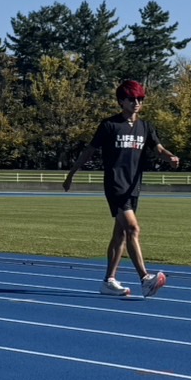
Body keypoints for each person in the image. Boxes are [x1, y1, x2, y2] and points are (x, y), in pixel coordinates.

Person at [63, 79, 179, 298]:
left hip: (133, 187)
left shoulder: (145, 127)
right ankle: (145, 278)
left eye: (140, 99)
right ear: (121, 101)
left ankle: (109, 281)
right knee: (133, 228)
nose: (137, 103)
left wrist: (170, 157)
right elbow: (89, 151)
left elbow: (158, 149)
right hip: (115, 184)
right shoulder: (109, 125)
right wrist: (72, 173)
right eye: (132, 99)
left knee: (121, 234)